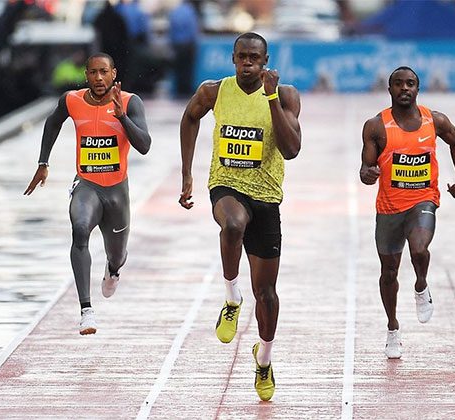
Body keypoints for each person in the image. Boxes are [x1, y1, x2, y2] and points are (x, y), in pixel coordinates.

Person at [178, 32, 301, 401]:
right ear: (233, 59)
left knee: (267, 293)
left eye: (254, 58)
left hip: (267, 197)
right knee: (232, 223)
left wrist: (272, 98)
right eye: (241, 57)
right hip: (227, 185)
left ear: (266, 61)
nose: (248, 64)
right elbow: (189, 117)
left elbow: (292, 149)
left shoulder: (286, 94)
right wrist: (187, 173)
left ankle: (264, 359)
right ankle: (231, 299)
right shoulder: (215, 91)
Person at [24, 53, 151, 335]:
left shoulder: (130, 102)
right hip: (87, 185)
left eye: (103, 72)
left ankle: (114, 268)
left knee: (116, 254)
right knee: (79, 229)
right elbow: (53, 122)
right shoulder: (72, 100)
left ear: (113, 74)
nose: (98, 78)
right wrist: (43, 163)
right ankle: (86, 311)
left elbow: (144, 145)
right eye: (93, 73)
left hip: (117, 192)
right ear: (86, 75)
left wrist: (122, 118)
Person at [360, 66, 455, 359]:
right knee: (389, 272)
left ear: (418, 89)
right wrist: (368, 173)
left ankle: (421, 285)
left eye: (410, 84)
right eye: (398, 84)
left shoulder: (435, 120)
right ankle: (392, 327)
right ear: (390, 89)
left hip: (423, 199)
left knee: (420, 249)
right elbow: (365, 168)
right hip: (389, 207)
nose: (404, 88)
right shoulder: (376, 126)